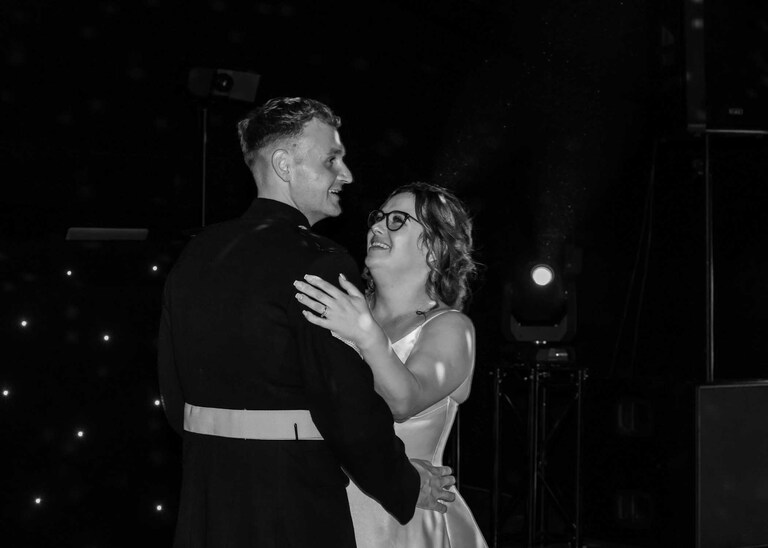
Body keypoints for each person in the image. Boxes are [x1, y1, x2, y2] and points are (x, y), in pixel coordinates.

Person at [157, 98, 456, 548]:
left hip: (207, 497)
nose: (346, 175)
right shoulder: (317, 262)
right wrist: (403, 480)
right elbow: (347, 408)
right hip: (290, 502)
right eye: (331, 159)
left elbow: (173, 392)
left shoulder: (196, 253)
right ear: (284, 165)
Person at [294, 182, 488, 547]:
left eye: (397, 220)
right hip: (322, 507)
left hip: (403, 520)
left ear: (435, 248)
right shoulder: (343, 311)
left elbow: (403, 401)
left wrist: (364, 333)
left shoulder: (451, 328)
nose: (377, 226)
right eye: (378, 217)